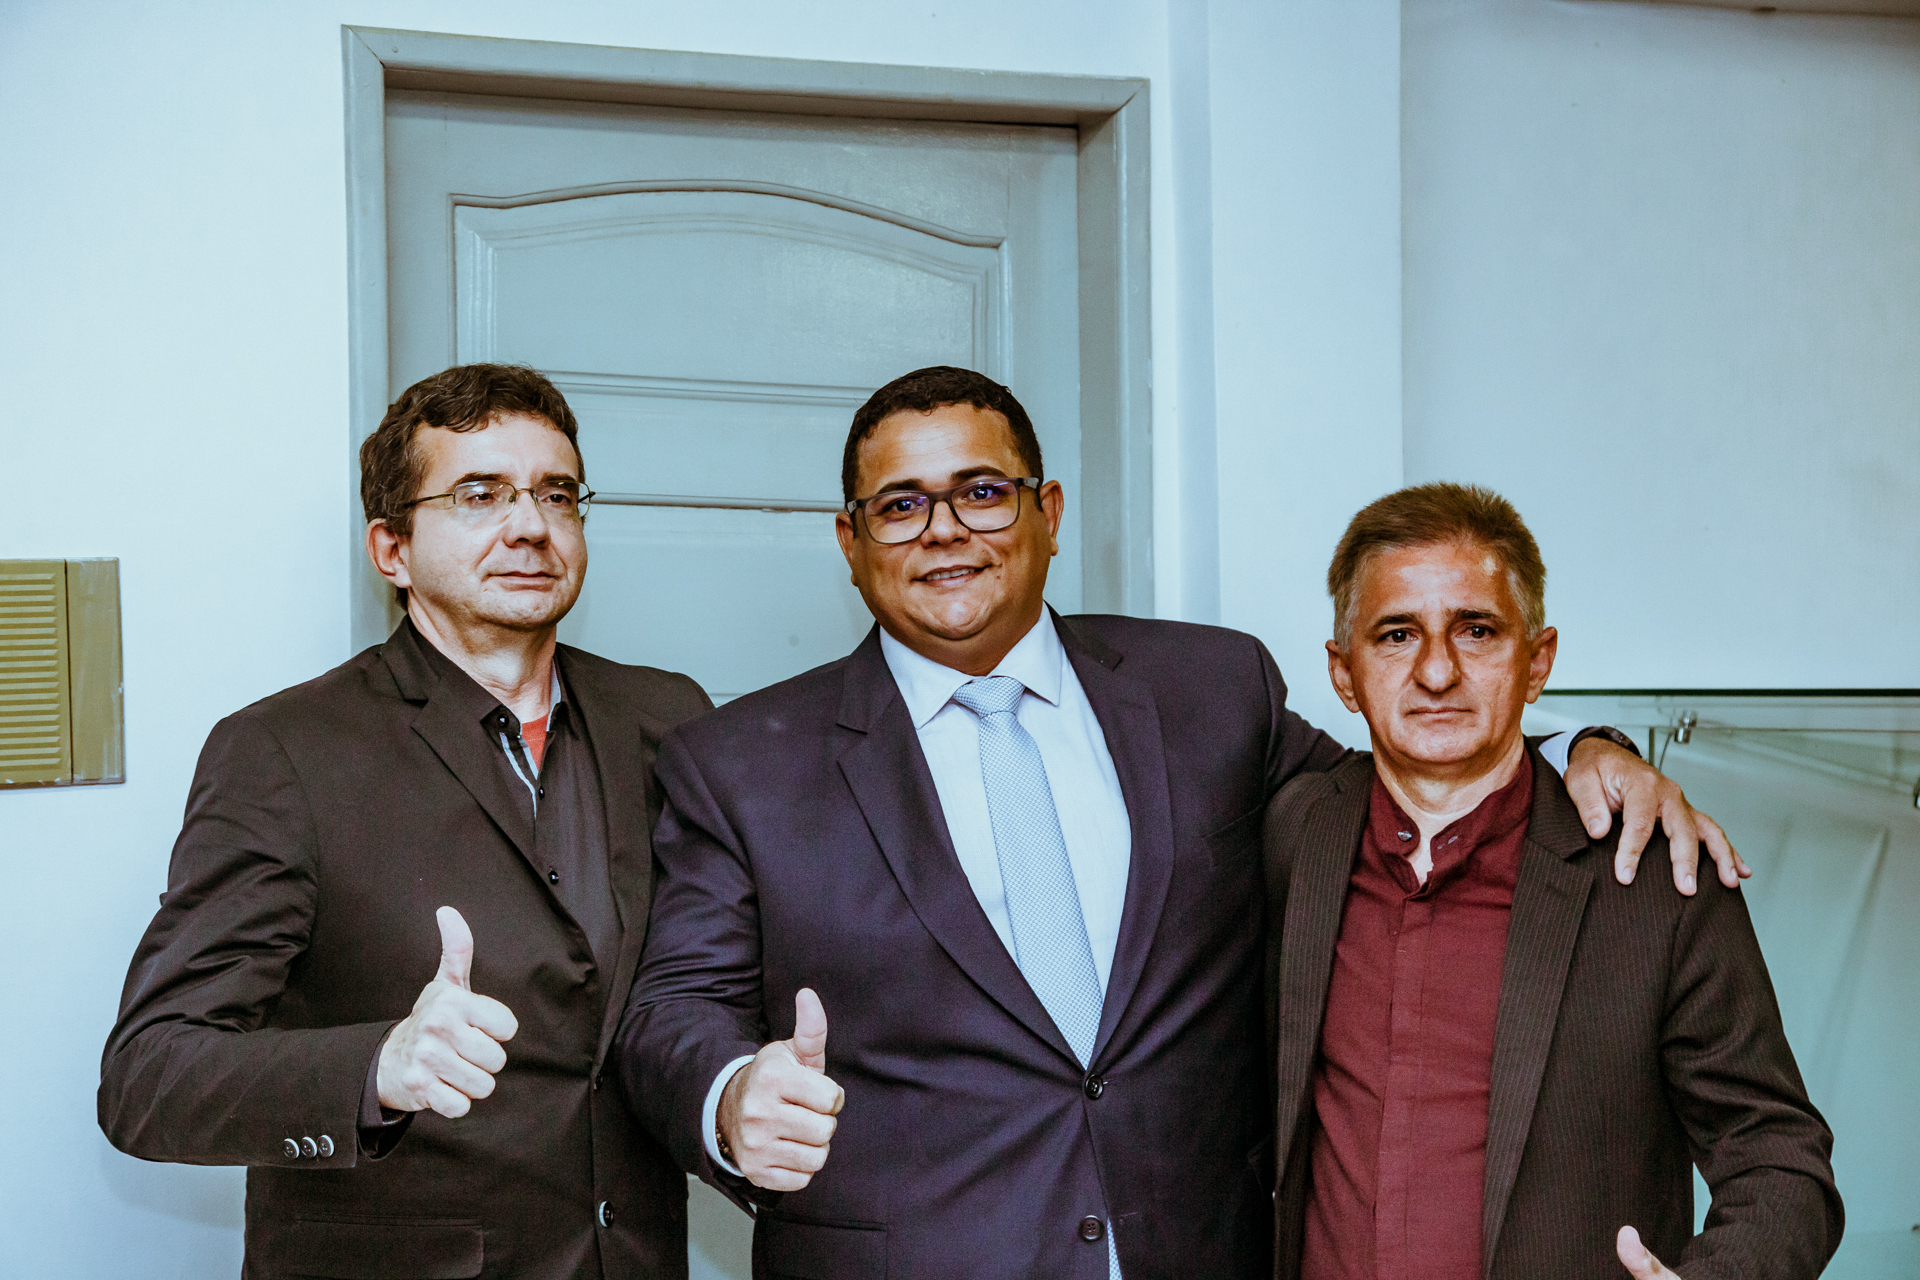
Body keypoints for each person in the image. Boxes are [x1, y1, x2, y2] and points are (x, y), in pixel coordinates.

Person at [616, 367, 1743, 1279]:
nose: (945, 531)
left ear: (1049, 514)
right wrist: (729, 1097)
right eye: (901, 505)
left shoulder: (1209, 690)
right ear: (851, 540)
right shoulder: (741, 763)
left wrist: (1576, 744)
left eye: (983, 492)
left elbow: (1407, 778)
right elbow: (671, 1008)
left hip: (1198, 1253)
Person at [99, 365, 710, 1280]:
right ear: (392, 549)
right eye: (479, 495)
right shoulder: (283, 751)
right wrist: (377, 1067)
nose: (531, 526)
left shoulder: (669, 718)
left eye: (556, 494)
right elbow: (149, 1076)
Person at [1263, 483, 1841, 1280]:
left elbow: (1777, 1155)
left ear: (1537, 662)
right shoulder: (1293, 836)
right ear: (1344, 673)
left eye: (1476, 631)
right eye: (1397, 635)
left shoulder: (1653, 873)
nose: (1437, 671)